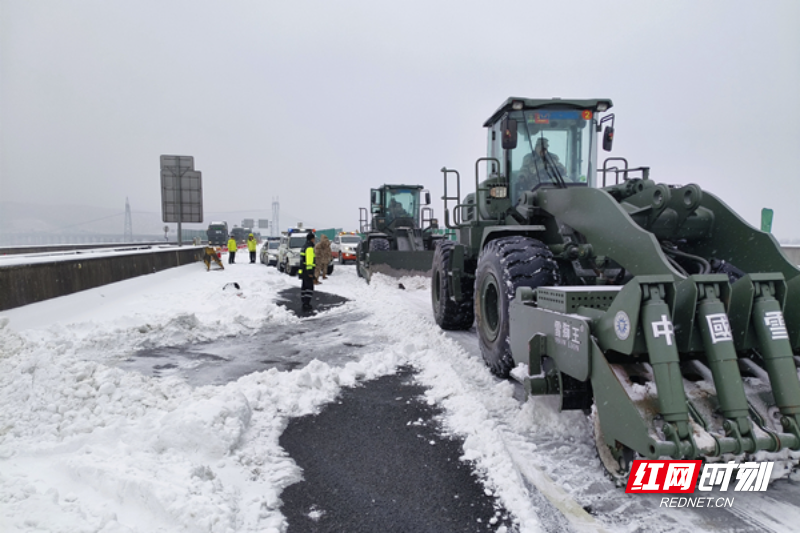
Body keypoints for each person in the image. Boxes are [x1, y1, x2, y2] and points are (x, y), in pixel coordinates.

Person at [299, 232, 316, 310]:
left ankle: (304, 302)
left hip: (303, 270)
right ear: (312, 239)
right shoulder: (309, 248)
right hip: (307, 271)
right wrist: (310, 272)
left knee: (304, 287)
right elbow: (309, 261)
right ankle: (306, 304)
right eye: (314, 239)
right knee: (309, 288)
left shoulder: (304, 247)